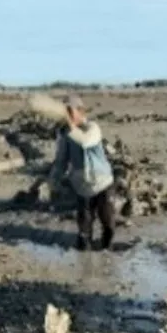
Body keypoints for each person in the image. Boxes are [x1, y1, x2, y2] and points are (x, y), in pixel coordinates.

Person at [47, 95, 117, 250]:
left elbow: (85, 141)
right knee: (84, 229)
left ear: (80, 111)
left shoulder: (93, 128)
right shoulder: (66, 136)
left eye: (69, 112)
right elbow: (61, 161)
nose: (66, 117)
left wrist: (71, 126)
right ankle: (84, 260)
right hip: (82, 187)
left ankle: (107, 251)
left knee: (108, 224)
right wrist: (53, 181)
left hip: (103, 183)